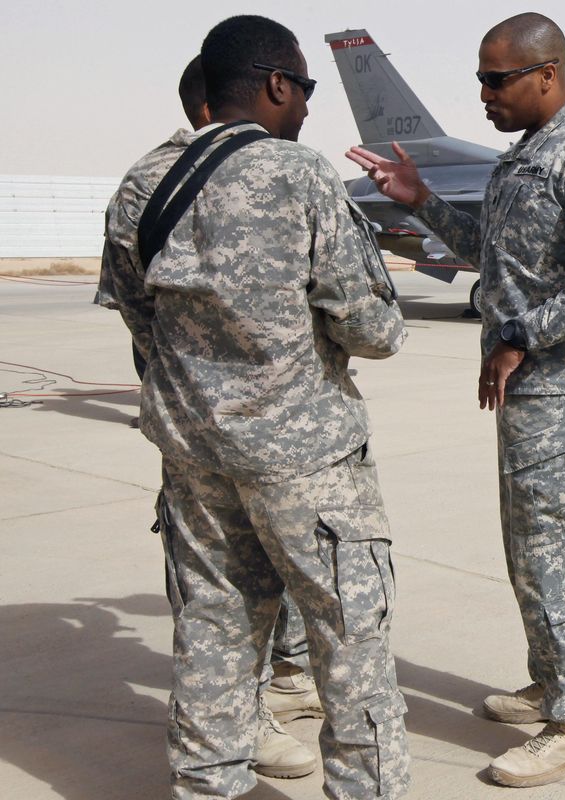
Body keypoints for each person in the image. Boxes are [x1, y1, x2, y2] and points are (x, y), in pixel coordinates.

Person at [103, 15, 411, 798]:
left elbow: (142, 323)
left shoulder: (145, 180)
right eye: (304, 88)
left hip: (192, 458)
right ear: (276, 83)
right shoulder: (297, 174)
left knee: (211, 633)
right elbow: (373, 329)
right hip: (305, 465)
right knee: (351, 646)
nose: (307, 105)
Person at [348, 11, 565, 788]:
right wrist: (418, 200)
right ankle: (553, 681)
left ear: (546, 73)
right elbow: (496, 253)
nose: (483, 94)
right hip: (531, 380)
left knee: (556, 552)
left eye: (496, 78)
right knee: (529, 548)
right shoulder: (524, 159)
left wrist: (521, 333)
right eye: (480, 78)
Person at [100, 52, 325, 782]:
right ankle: (246, 716)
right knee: (232, 588)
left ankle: (268, 694)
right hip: (262, 430)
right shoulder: (240, 173)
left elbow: (138, 315)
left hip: (194, 426)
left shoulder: (144, 180)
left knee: (233, 583)